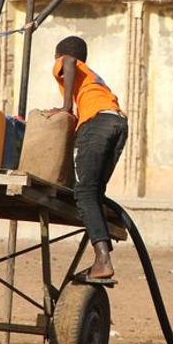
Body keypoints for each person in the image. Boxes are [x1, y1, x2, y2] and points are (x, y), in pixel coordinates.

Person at [52, 36, 126, 281]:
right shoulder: (93, 78)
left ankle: (103, 259)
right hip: (118, 122)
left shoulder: (67, 61)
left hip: (98, 124)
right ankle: (100, 257)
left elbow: (69, 61)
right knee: (94, 193)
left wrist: (66, 108)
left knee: (83, 192)